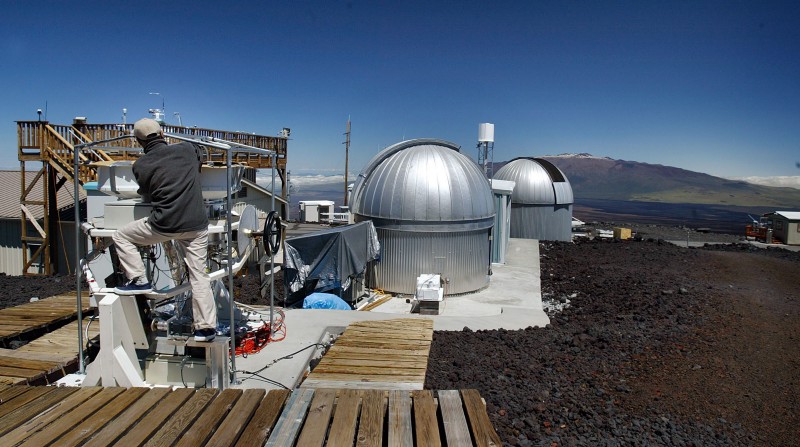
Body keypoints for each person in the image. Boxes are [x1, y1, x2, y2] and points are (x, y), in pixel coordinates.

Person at [112, 118, 217, 342]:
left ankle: (139, 279)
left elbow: (146, 193)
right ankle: (205, 329)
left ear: (138, 141)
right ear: (163, 134)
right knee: (199, 276)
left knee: (120, 235)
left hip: (163, 225)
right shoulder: (187, 149)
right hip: (196, 225)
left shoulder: (140, 165)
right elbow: (202, 153)